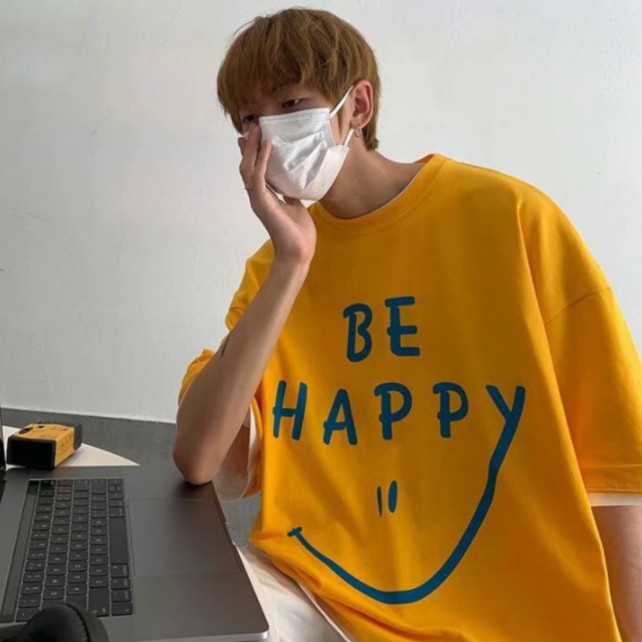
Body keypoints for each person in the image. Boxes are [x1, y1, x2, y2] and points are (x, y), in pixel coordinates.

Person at [174, 7, 642, 642]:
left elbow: (618, 472)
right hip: (317, 597)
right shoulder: (271, 271)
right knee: (182, 615)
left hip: (504, 614)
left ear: (357, 105)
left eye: (291, 103)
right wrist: (292, 263)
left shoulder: (511, 220)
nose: (269, 133)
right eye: (249, 120)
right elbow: (200, 459)